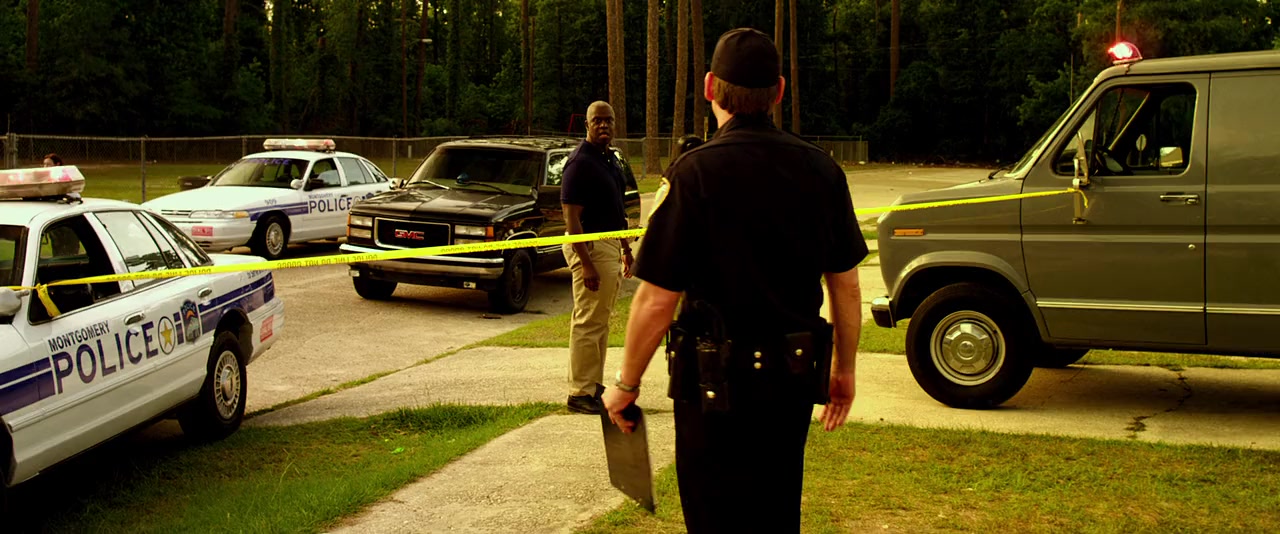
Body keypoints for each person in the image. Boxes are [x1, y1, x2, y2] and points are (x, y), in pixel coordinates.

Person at [602, 27, 867, 533]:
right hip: (788, 385)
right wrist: (844, 370)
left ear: (709, 87)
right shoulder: (821, 171)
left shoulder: (694, 174)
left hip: (712, 391)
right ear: (779, 91)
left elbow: (657, 300)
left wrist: (626, 385)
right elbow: (846, 284)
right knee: (775, 514)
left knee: (714, 518)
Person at [561, 100, 634, 415]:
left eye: (608, 120)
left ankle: (593, 385)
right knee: (588, 322)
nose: (604, 125)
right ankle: (580, 393)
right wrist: (586, 264)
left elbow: (616, 209)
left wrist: (626, 249)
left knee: (600, 322)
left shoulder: (609, 159)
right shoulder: (580, 163)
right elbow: (571, 220)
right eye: (597, 121)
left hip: (610, 245)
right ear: (587, 125)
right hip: (589, 248)